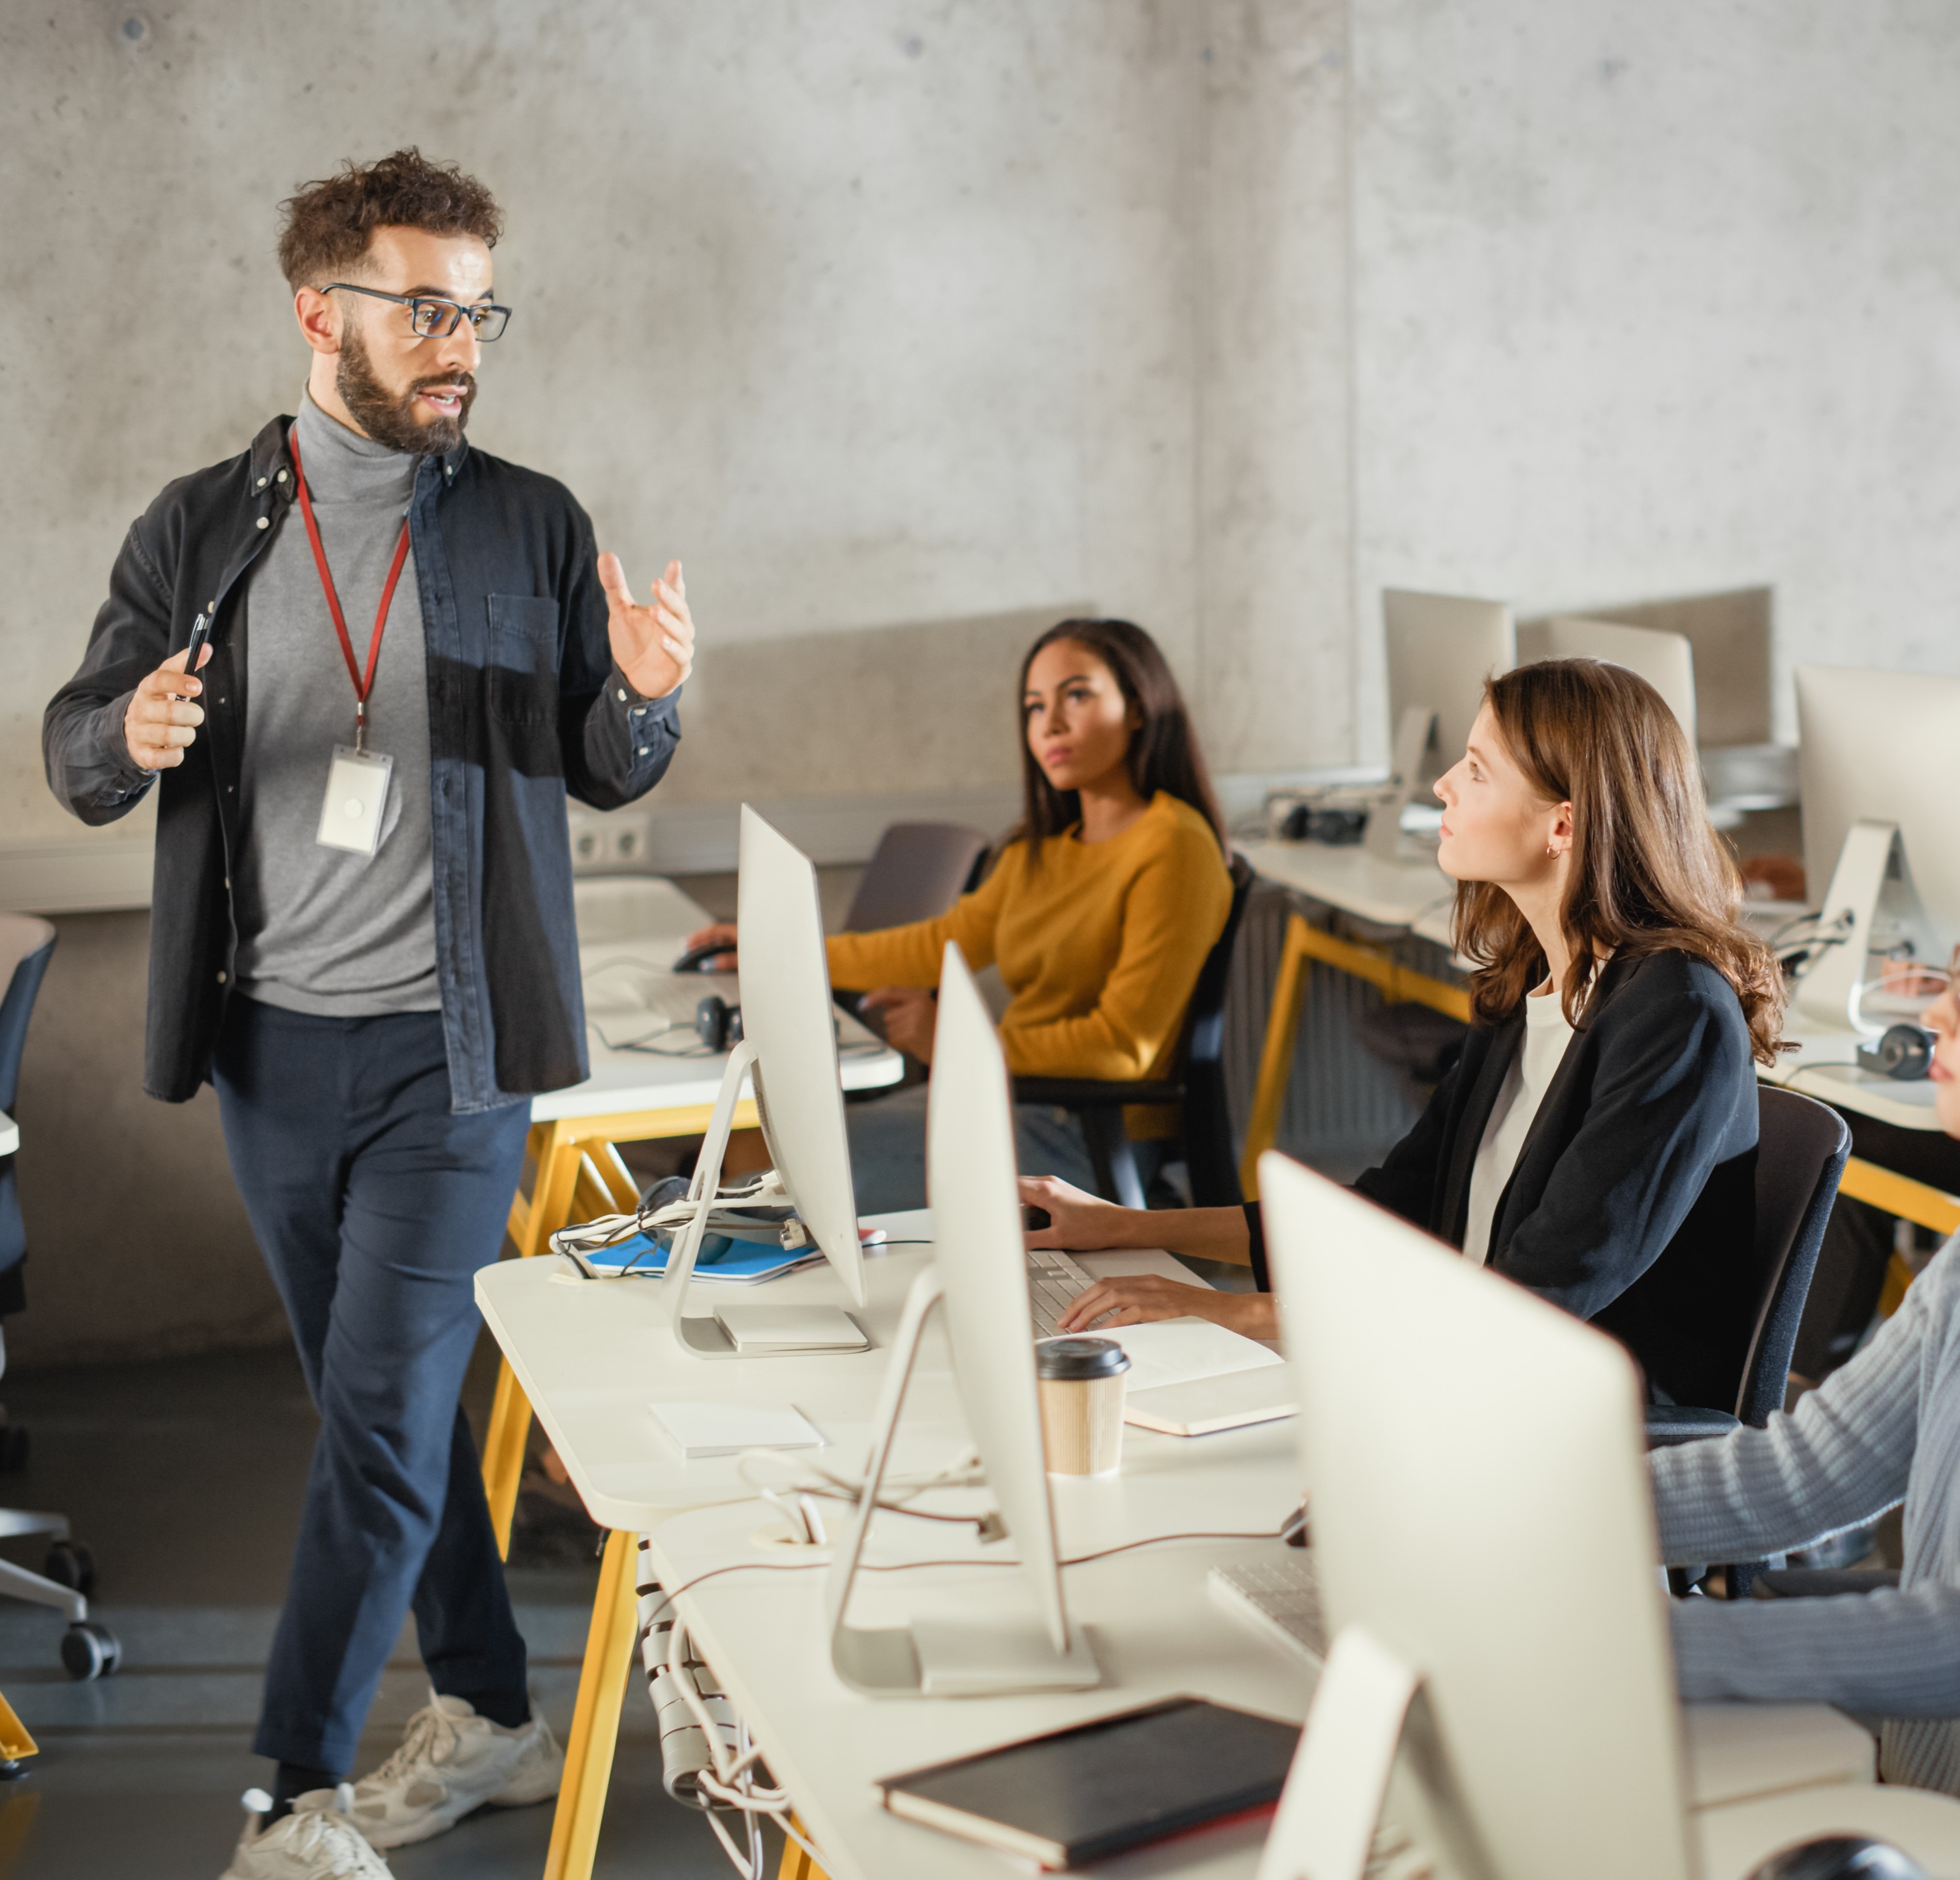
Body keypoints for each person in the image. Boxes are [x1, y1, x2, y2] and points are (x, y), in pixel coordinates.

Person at [42, 151, 696, 1878]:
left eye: (473, 306)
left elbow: (600, 759)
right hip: (271, 1053)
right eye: (421, 306)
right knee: (376, 1418)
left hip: (452, 1053)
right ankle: (486, 1705)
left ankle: (288, 1796)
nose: (454, 340)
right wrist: (133, 738)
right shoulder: (195, 529)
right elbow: (74, 745)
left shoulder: (526, 522)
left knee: (391, 1418)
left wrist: (646, 699)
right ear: (319, 313)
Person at [1034, 658, 1784, 1413]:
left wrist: (1226, 1313)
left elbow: (1539, 1301)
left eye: (1478, 771)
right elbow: (1397, 1210)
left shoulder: (1677, 1014)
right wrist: (1121, 1225)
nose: (1443, 786)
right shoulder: (1531, 981)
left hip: (1573, 1426)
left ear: (1564, 823)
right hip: (1455, 1375)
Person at [683, 618, 1234, 1209]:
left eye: (1077, 695)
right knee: (740, 1145)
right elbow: (937, 943)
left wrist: (954, 1040)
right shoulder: (1039, 850)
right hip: (1010, 1097)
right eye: (1033, 705)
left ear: (1138, 706)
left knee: (757, 1164)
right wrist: (780, 952)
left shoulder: (1174, 846)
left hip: (1087, 1137)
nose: (1049, 724)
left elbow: (1125, 1045)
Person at [1655, 973, 1960, 1794]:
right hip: (1918, 1800)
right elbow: (1814, 1472)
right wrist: (1530, 1508)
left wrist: (1651, 1648)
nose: (1935, 1016)